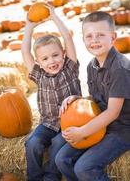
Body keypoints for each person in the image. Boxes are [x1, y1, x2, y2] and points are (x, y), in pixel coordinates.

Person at [55, 11, 130, 181]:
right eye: (89, 36)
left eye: (100, 35)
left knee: (85, 167)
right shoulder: (92, 66)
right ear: (83, 40)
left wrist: (82, 131)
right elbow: (98, 100)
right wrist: (79, 100)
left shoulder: (120, 69)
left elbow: (112, 112)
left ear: (113, 37)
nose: (94, 40)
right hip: (101, 125)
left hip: (122, 129)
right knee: (62, 159)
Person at [21, 4, 81, 181]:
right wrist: (29, 26)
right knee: (32, 143)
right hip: (47, 124)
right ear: (38, 61)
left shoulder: (70, 68)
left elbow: (68, 38)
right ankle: (34, 177)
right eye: (45, 58)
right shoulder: (39, 74)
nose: (52, 61)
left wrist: (54, 17)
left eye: (55, 55)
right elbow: (25, 51)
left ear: (63, 53)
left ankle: (51, 177)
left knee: (57, 144)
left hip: (70, 124)